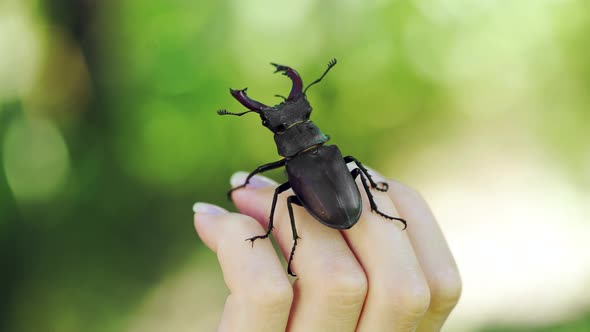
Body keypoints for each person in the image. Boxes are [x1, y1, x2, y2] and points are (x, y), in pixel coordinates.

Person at [193, 169, 461, 331]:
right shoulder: (332, 154)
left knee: (282, 196)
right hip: (340, 203)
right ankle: (375, 207)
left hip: (337, 206)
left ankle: (375, 208)